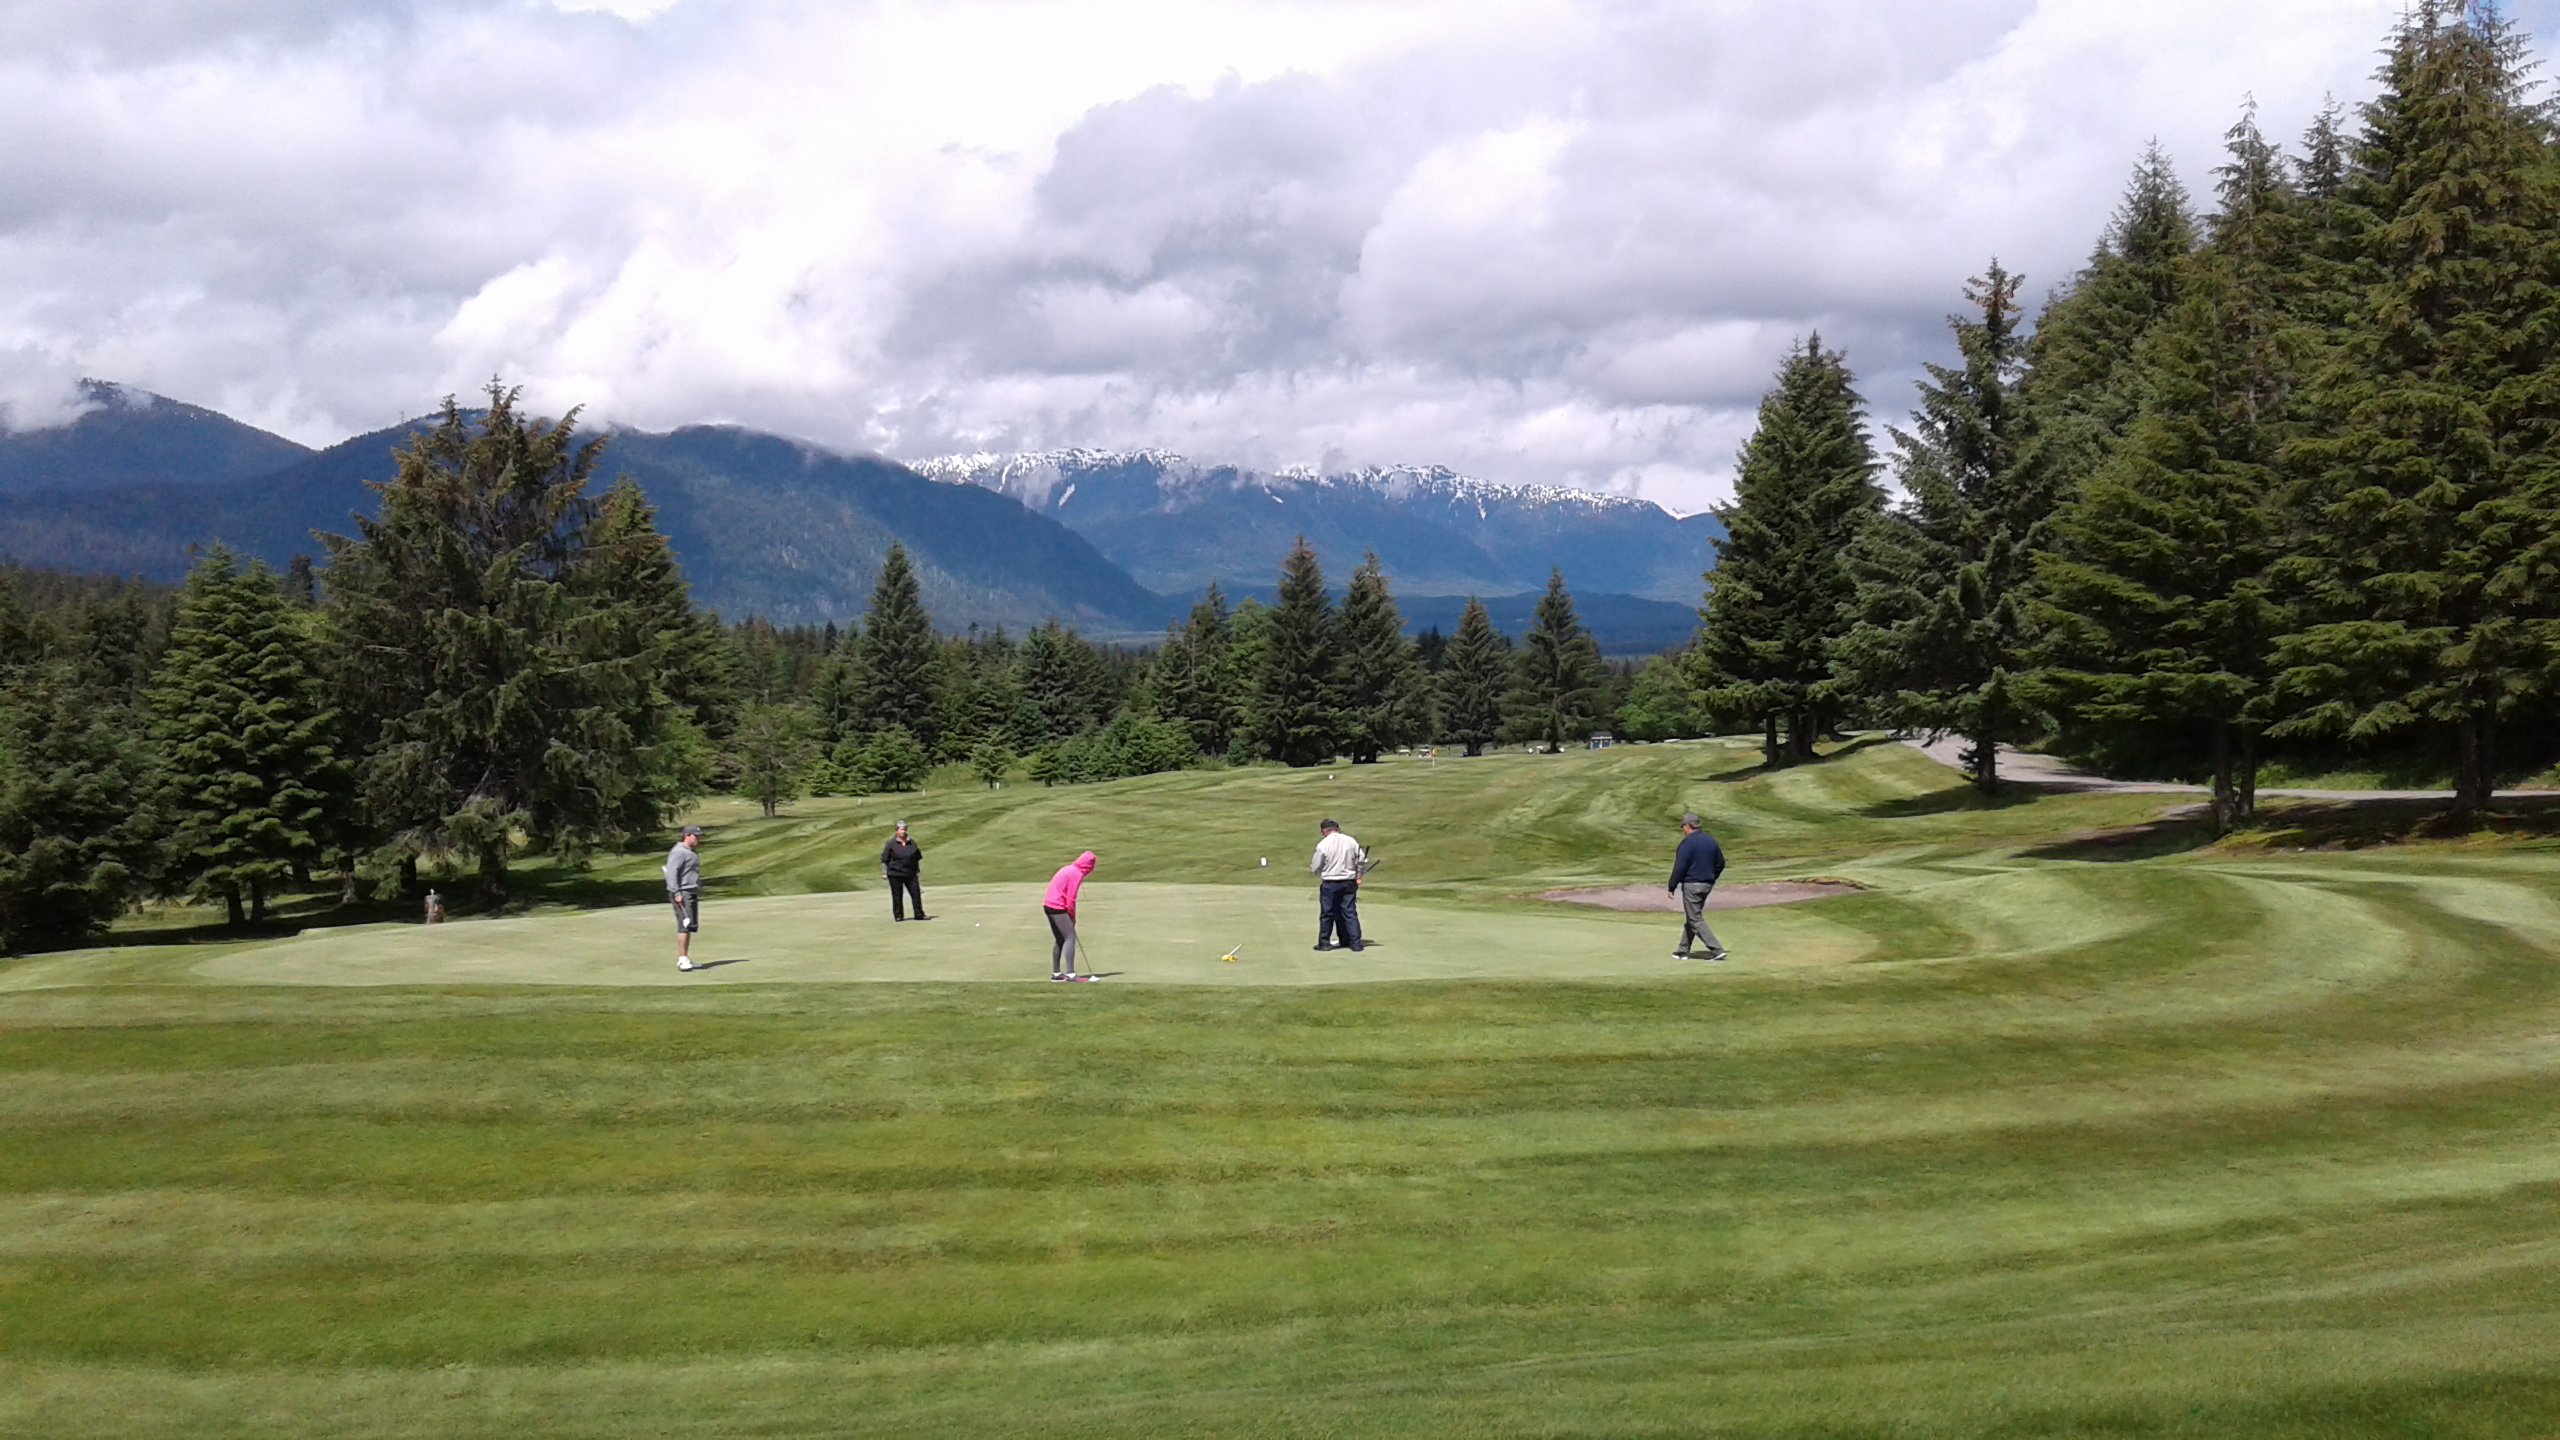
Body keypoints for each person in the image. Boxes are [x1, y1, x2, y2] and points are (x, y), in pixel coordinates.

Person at [1668, 811, 1728, 962]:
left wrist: (1671, 886)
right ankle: (1682, 950)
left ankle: (1717, 950)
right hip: (1707, 884)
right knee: (1692, 917)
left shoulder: (1687, 843)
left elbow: (1680, 867)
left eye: (1684, 827)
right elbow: (1720, 863)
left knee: (1695, 918)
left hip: (1692, 885)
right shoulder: (1710, 840)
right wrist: (1712, 877)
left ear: (1688, 826)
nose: (1684, 830)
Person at [1309, 818, 1365, 952]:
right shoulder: (1351, 841)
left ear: (1323, 831)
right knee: (1349, 912)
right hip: (1349, 882)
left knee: (1327, 913)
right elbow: (1362, 860)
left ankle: (1324, 943)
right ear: (1337, 829)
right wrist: (1359, 873)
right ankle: (1354, 943)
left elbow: (1316, 865)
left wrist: (1316, 871)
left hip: (1330, 882)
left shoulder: (1323, 844)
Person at [1042, 850, 1097, 981]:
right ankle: (1071, 974)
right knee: (1070, 937)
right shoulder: (1076, 873)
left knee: (1060, 939)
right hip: (1057, 906)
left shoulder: (1069, 868)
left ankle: (1056, 973)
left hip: (1048, 904)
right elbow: (1071, 898)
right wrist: (1072, 916)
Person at [665, 824, 705, 972]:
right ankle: (682, 959)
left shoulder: (691, 852)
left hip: (690, 891)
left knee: (690, 925)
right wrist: (676, 893)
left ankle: (685, 957)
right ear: (687, 835)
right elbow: (671, 873)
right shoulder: (679, 852)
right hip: (682, 893)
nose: (697, 839)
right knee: (684, 925)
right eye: (695, 836)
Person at [880, 821, 927, 921]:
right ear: (896, 831)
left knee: (916, 894)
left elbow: (916, 857)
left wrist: (917, 871)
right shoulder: (890, 843)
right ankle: (898, 916)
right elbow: (884, 859)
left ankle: (919, 914)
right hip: (895, 873)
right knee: (897, 895)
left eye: (905, 829)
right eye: (901, 829)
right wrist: (884, 872)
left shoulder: (911, 842)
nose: (903, 831)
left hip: (910, 873)